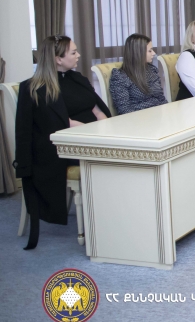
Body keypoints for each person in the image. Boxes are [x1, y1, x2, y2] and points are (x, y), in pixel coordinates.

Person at [14, 35, 111, 250]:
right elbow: (50, 126)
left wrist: (105, 127)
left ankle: (115, 214)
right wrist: (91, 132)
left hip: (92, 136)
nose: (79, 55)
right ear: (58, 59)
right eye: (73, 52)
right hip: (61, 149)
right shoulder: (34, 88)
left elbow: (96, 108)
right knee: (111, 163)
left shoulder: (77, 78)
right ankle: (106, 222)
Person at [109, 33, 168, 114]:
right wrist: (153, 103)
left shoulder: (151, 69)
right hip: (136, 119)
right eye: (150, 51)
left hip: (157, 115)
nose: (154, 53)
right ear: (138, 53)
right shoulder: (120, 76)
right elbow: (124, 110)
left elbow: (161, 99)